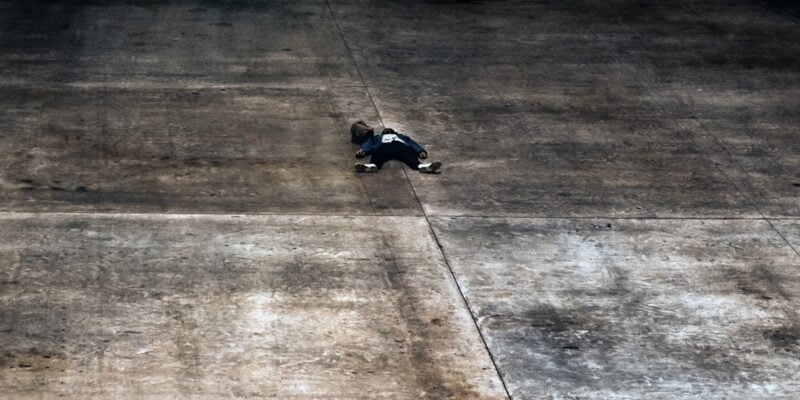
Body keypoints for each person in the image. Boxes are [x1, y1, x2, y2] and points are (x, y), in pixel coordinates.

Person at [351, 123, 442, 173]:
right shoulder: (378, 137)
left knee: (409, 156)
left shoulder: (401, 136)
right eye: (385, 130)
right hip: (384, 147)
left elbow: (411, 143)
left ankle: (422, 167)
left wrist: (420, 151)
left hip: (400, 146)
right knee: (378, 155)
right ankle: (372, 166)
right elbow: (369, 144)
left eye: (390, 129)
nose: (387, 129)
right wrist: (363, 150)